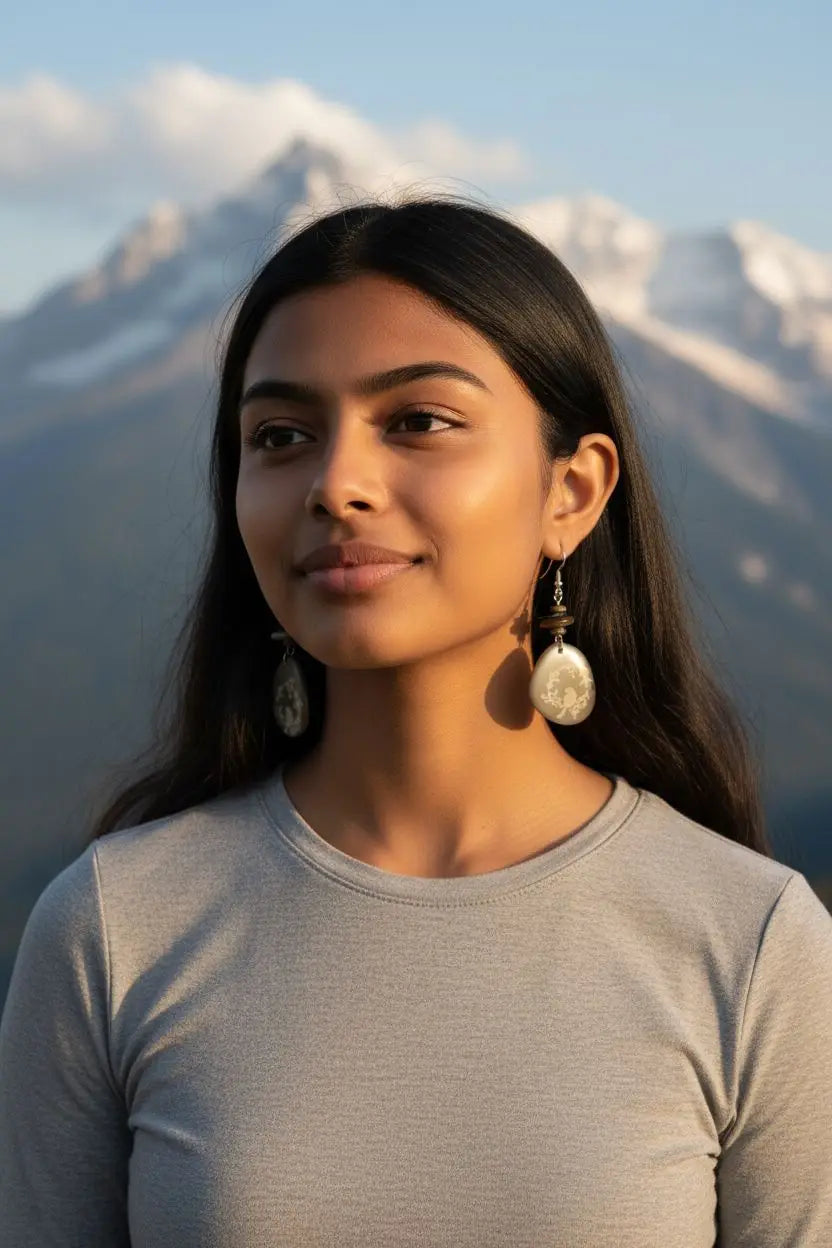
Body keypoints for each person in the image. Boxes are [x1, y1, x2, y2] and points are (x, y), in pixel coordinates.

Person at [1, 194, 830, 1247]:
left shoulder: (751, 945)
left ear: (573, 493)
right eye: (280, 436)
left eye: (418, 422)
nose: (336, 484)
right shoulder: (113, 931)